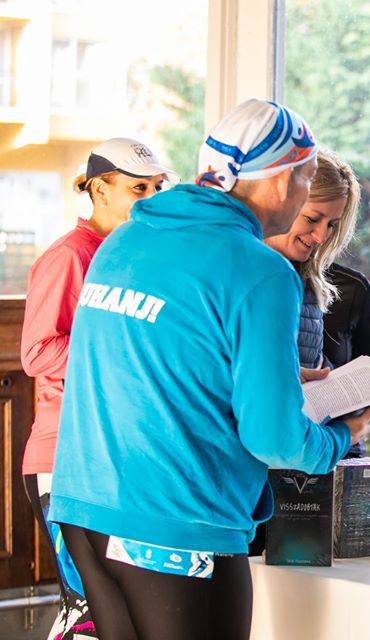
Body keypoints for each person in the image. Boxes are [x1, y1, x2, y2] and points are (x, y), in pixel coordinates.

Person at [47, 99, 370, 640]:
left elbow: (149, 363)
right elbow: (275, 440)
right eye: (305, 182)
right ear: (284, 180)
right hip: (176, 522)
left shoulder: (124, 241)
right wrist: (342, 435)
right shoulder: (260, 270)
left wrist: (274, 375)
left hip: (85, 509)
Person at [20, 137, 177, 640]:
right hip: (64, 459)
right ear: (100, 190)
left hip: (112, 458)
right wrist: (122, 351)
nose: (151, 198)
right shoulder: (70, 256)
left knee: (116, 616)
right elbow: (37, 352)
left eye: (158, 187)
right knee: (86, 613)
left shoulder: (131, 255)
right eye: (138, 188)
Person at [263, 149, 370, 459]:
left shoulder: (312, 285)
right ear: (283, 202)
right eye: (312, 218)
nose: (321, 235)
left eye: (332, 224)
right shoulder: (242, 276)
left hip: (304, 452)